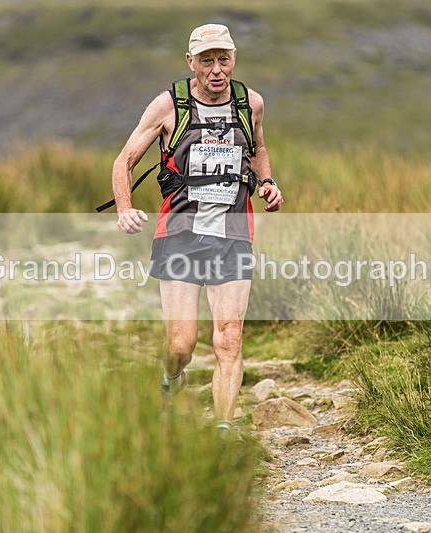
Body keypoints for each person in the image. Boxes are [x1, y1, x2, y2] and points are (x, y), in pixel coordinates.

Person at [110, 23, 283, 435]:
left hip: (233, 233)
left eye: (223, 59)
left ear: (234, 58)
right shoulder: (168, 105)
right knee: (181, 344)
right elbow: (124, 161)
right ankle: (171, 377)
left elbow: (258, 148)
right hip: (179, 234)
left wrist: (267, 182)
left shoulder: (251, 103)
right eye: (207, 61)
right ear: (191, 62)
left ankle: (223, 430)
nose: (216, 69)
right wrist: (124, 208)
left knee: (229, 337)